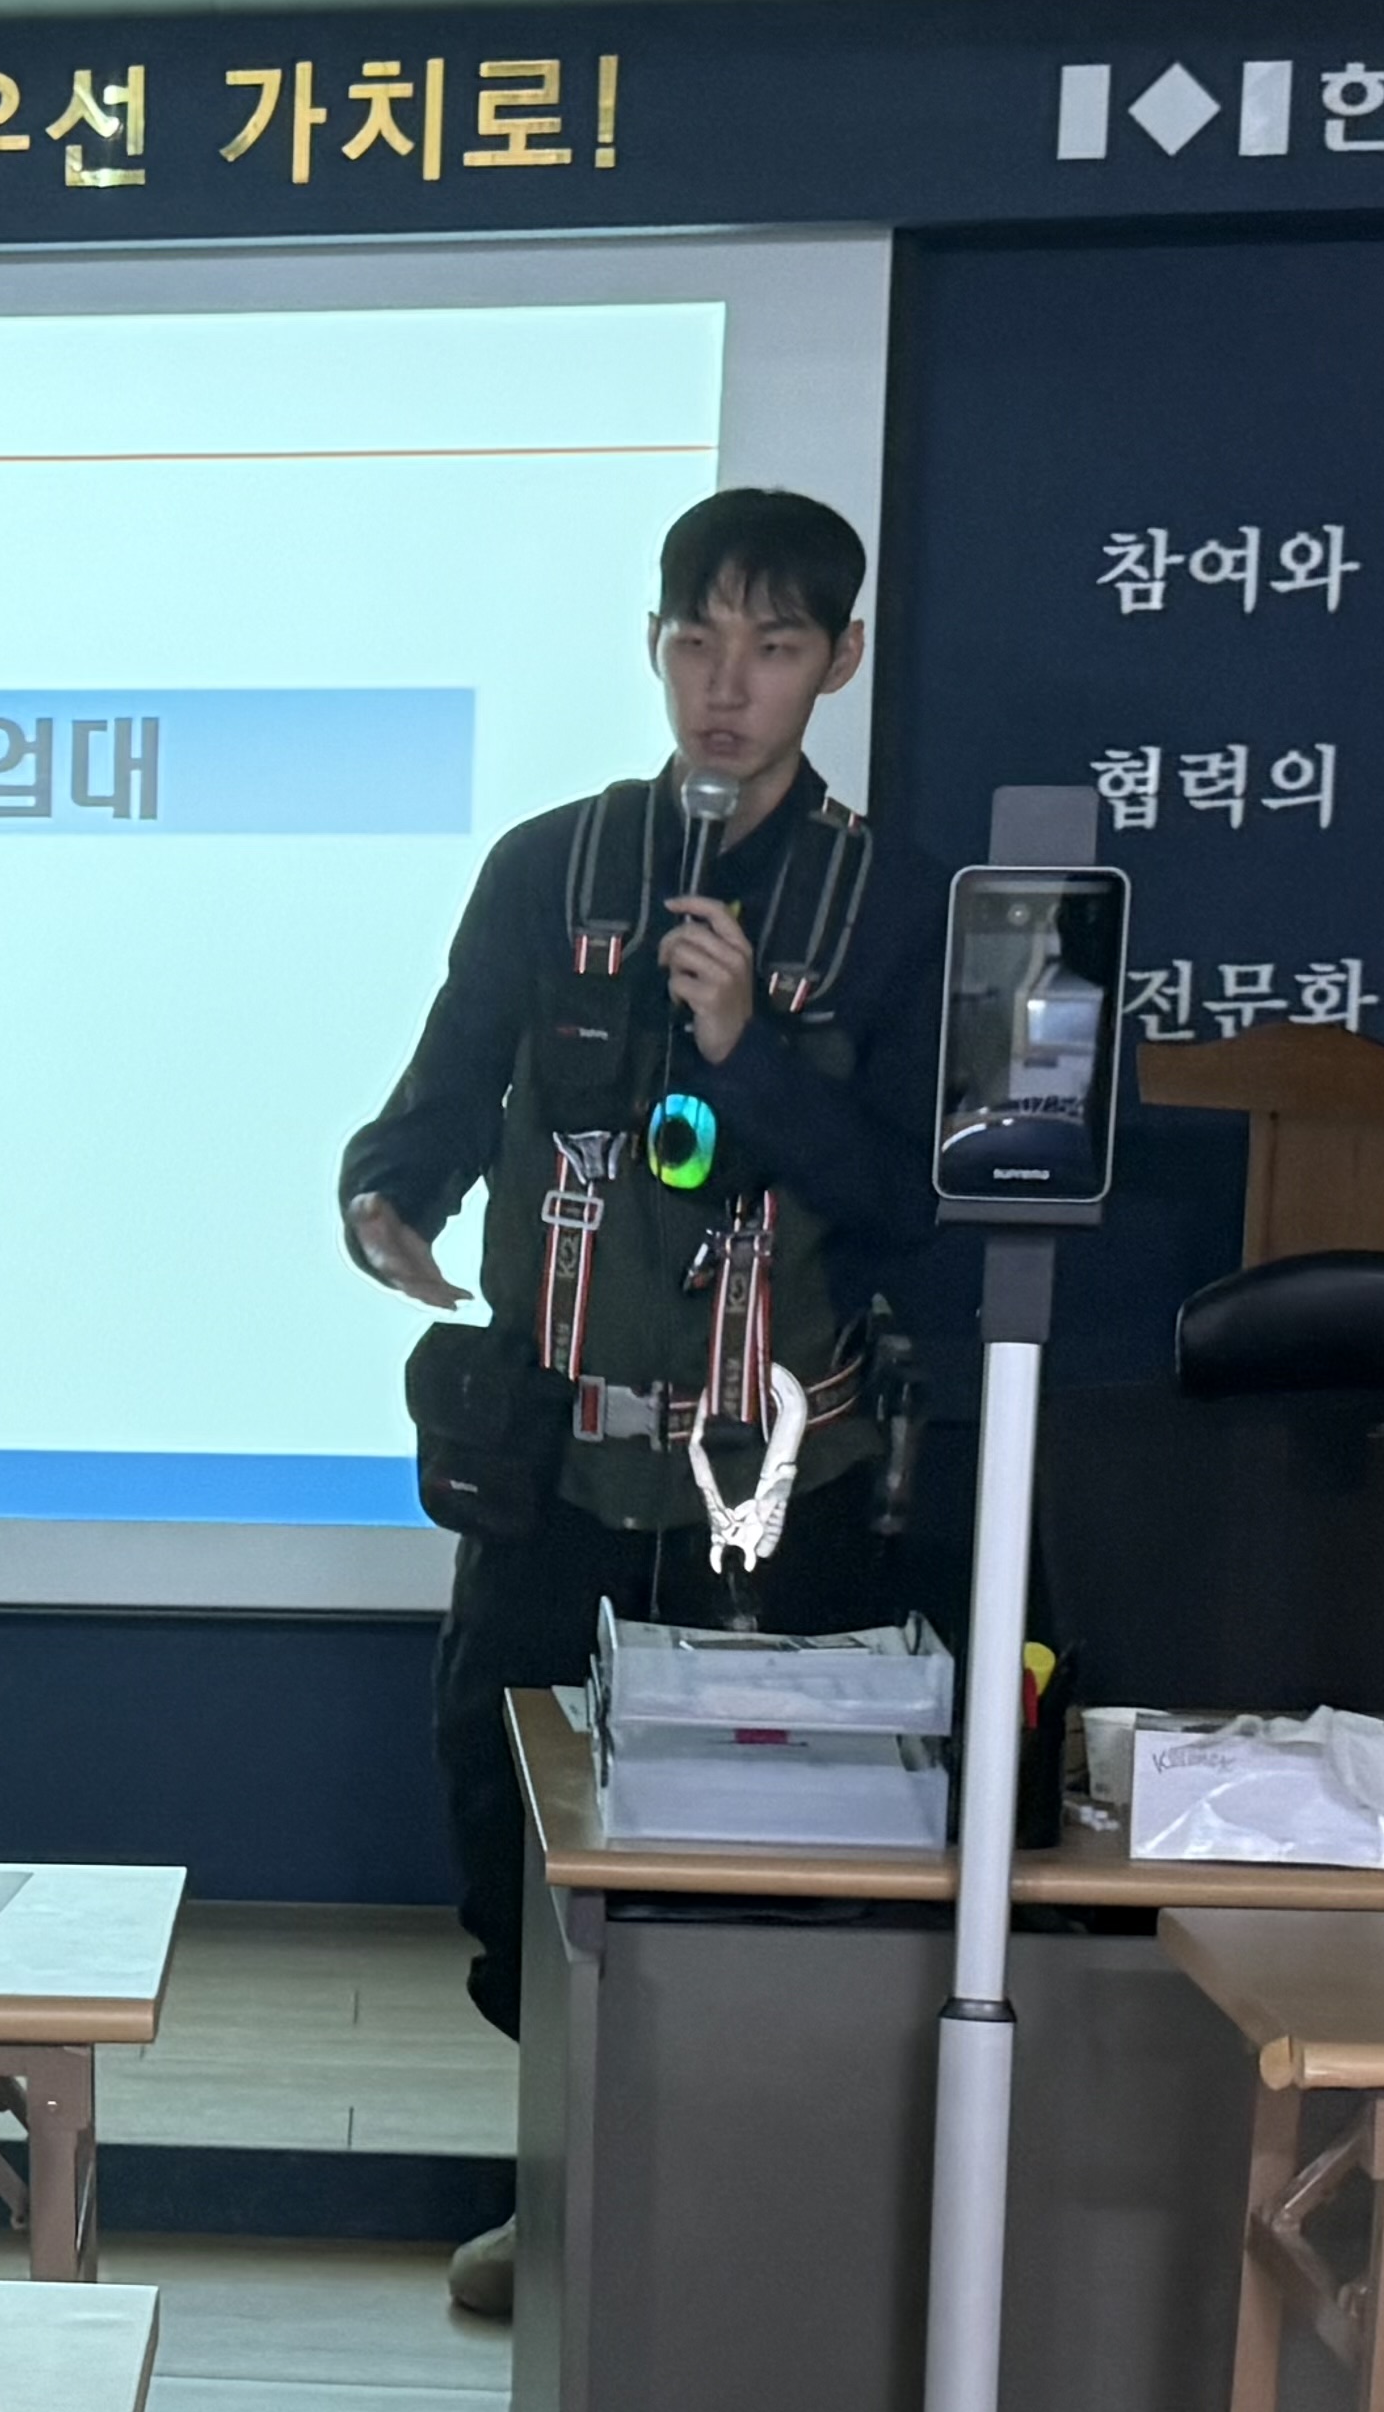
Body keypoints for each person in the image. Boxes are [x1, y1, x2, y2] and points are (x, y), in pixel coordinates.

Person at [339, 487, 937, 2307]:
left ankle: (739, 2229)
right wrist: (387, 1195)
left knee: (762, 1862)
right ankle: (574, 2199)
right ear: (655, 648)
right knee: (507, 1830)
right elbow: (445, 1087)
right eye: (697, 641)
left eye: (773, 645)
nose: (726, 685)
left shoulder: (889, 904)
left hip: (778, 1480)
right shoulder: (552, 866)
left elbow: (907, 1190)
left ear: (839, 660)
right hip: (558, 1466)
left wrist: (748, 1050)